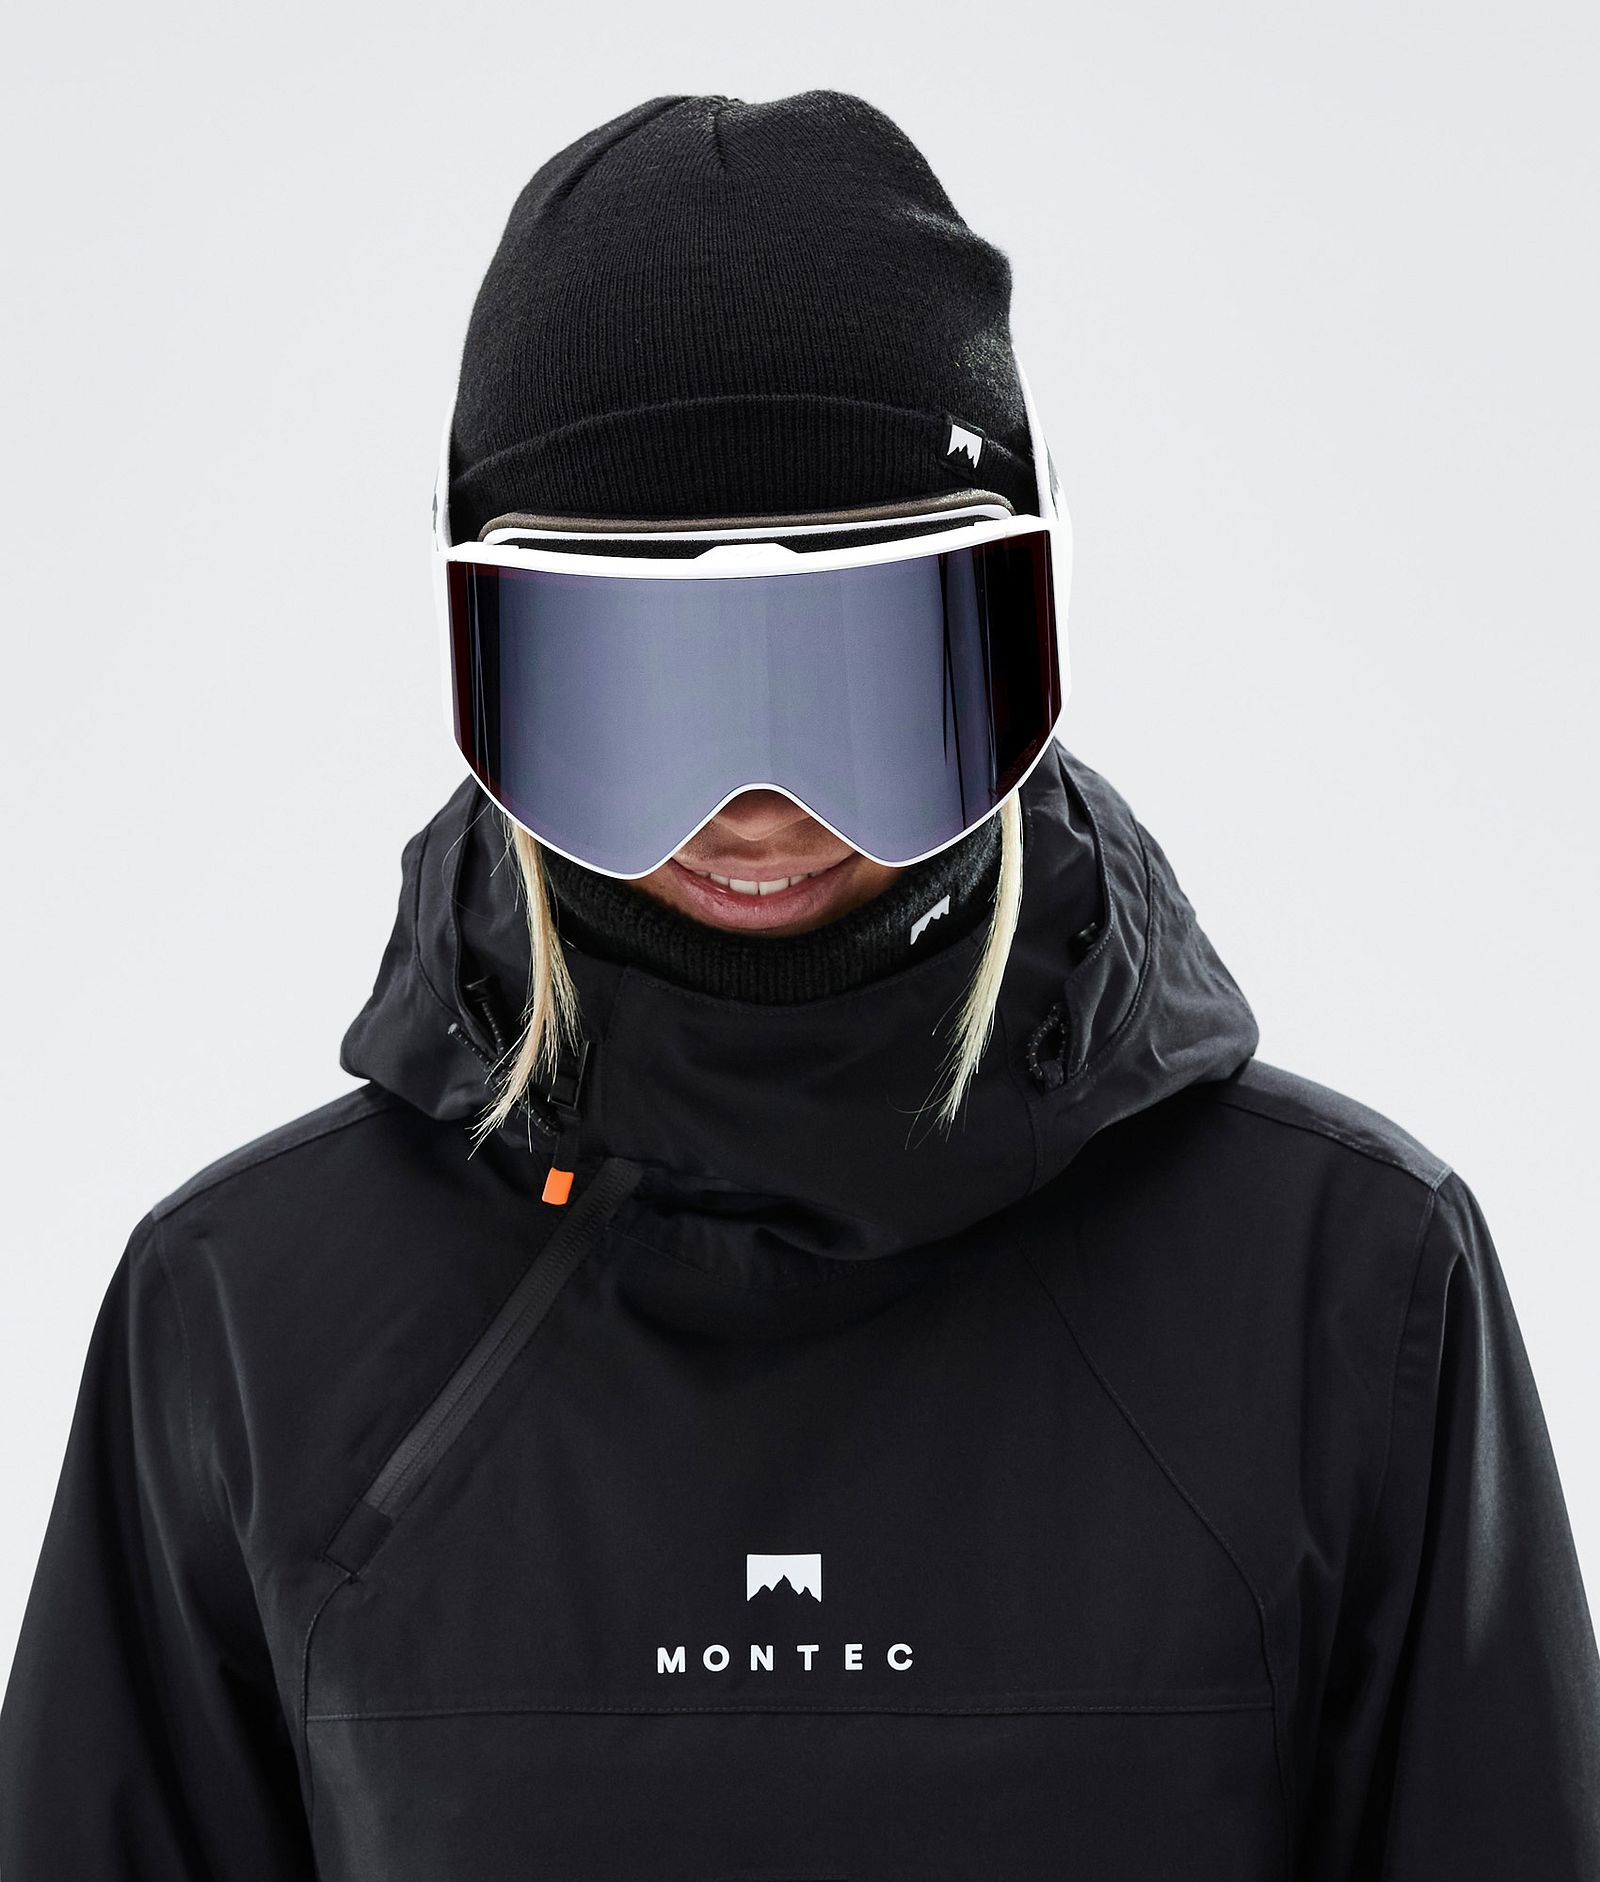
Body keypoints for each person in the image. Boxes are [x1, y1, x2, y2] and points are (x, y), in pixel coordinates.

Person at [2, 87, 1597, 1881]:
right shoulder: (244, 1330)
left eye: (858, 664)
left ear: (1020, 624)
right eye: (640, 683)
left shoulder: (1346, 1297)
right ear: (486, 656)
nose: (756, 801)